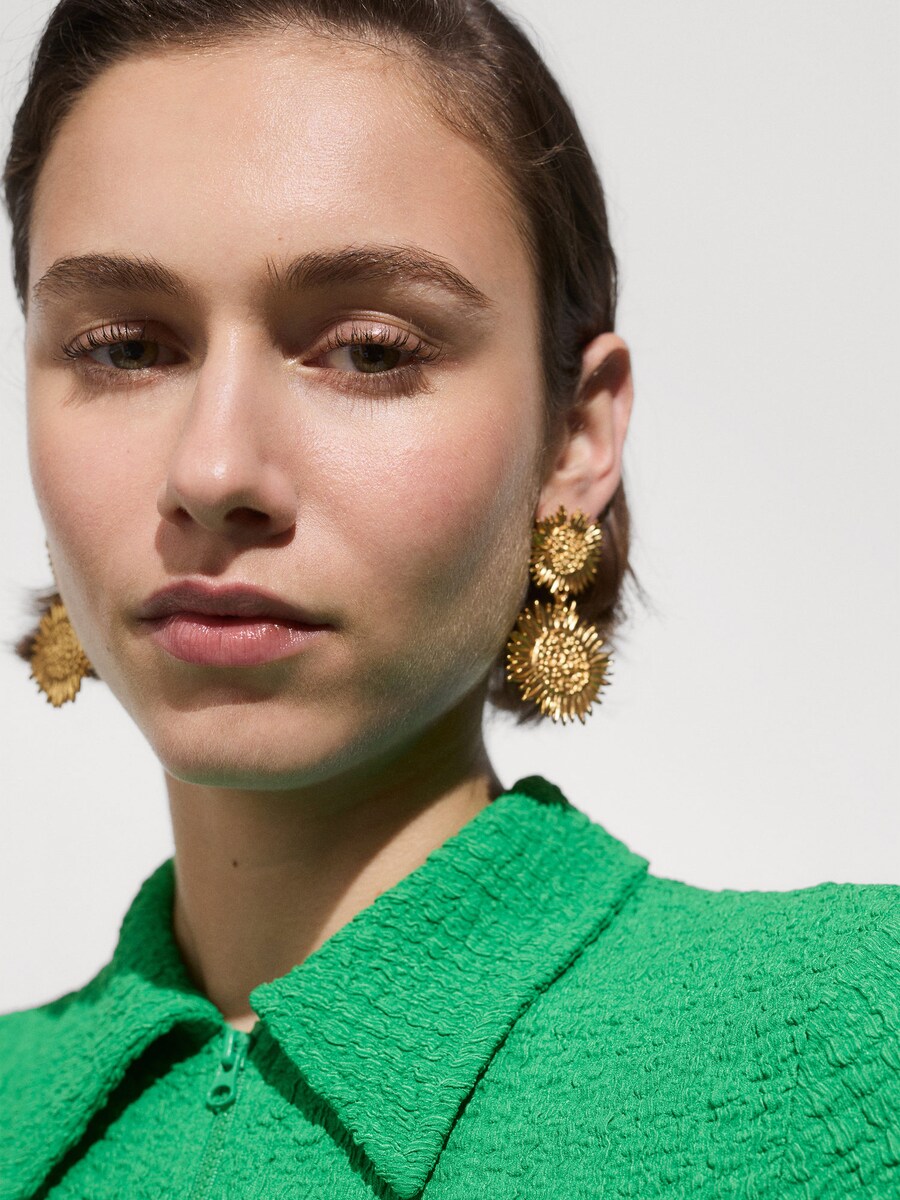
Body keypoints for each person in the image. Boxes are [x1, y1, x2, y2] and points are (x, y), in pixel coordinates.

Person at [0, 1, 896, 1196]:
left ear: (576, 437)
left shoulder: (848, 1041)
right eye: (124, 349)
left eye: (369, 350)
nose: (212, 471)